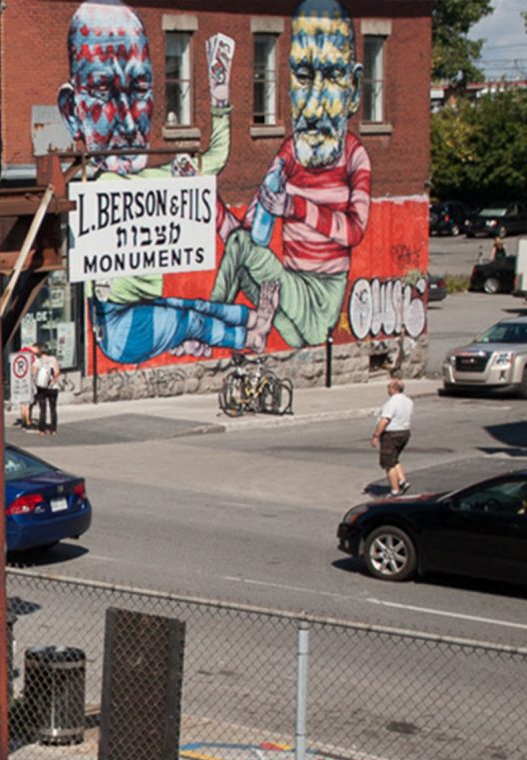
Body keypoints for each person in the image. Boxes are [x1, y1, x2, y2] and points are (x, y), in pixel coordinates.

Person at [57, 5, 249, 362]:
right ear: (72, 111)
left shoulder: (160, 180)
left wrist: (219, 90)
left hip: (141, 313)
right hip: (118, 329)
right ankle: (246, 338)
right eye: (104, 93)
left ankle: (252, 323)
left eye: (140, 89)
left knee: (188, 305)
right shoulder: (83, 186)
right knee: (190, 318)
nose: (129, 123)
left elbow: (216, 158)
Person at [207, 0, 371, 353]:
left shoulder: (354, 155)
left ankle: (208, 327)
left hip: (322, 302)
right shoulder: (290, 152)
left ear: (355, 89)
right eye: (303, 76)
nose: (313, 107)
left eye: (331, 77)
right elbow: (246, 238)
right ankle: (226, 324)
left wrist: (294, 206)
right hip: (286, 299)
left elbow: (356, 229)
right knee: (241, 244)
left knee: (243, 248)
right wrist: (207, 200)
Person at [371, 378, 413, 496]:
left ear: (394, 389)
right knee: (394, 458)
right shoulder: (408, 401)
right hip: (404, 432)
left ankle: (394, 490)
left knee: (388, 464)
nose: (387, 389)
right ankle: (402, 481)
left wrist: (376, 436)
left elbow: (385, 420)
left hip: (391, 434)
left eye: (388, 387)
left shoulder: (392, 402)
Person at [30, 341, 61, 435]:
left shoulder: (38, 361)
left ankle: (42, 430)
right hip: (53, 387)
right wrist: (52, 381)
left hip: (42, 388)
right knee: (53, 408)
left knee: (42, 409)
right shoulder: (53, 359)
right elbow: (57, 372)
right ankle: (53, 430)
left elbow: (33, 374)